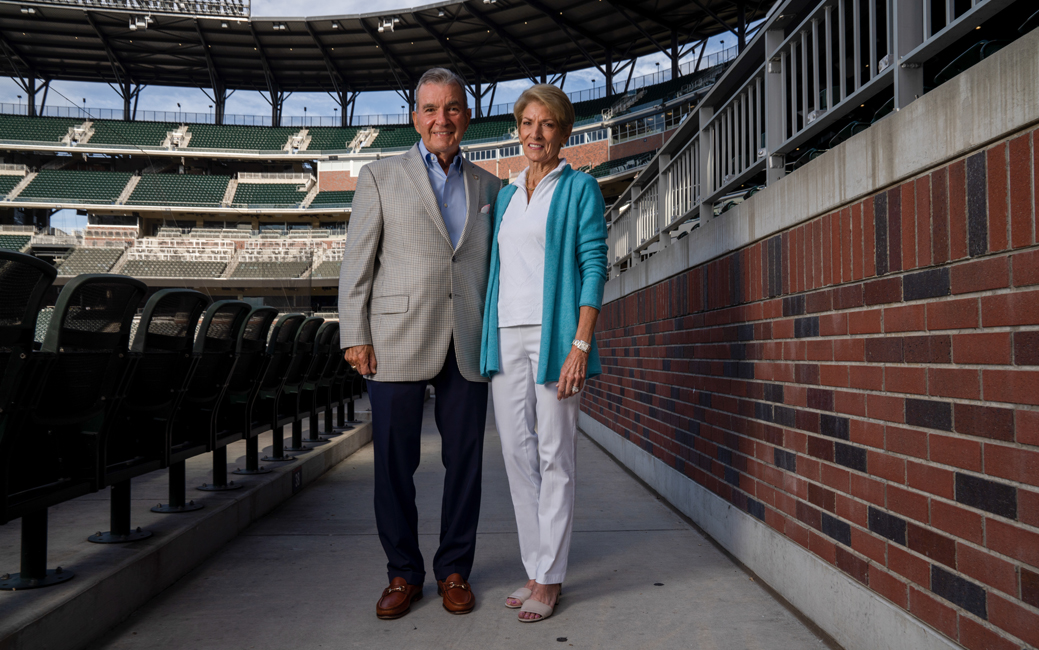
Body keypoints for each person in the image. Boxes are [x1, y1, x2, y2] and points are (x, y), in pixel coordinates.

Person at [339, 68, 501, 620]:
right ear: (415, 117)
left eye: (452, 108)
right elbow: (358, 261)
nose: (441, 119)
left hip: (466, 339)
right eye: (430, 109)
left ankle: (455, 569)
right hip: (395, 339)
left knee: (467, 464)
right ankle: (403, 574)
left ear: (466, 115)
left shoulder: (490, 186)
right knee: (392, 464)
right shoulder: (380, 175)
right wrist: (353, 333)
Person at [479, 84, 608, 623]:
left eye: (547, 124)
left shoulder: (579, 188)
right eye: (528, 123)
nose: (536, 134)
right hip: (507, 334)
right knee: (516, 455)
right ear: (518, 129)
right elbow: (498, 273)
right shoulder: (506, 195)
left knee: (555, 454)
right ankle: (535, 566)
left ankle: (550, 579)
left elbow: (594, 265)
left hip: (555, 336)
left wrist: (580, 344)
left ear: (564, 132)